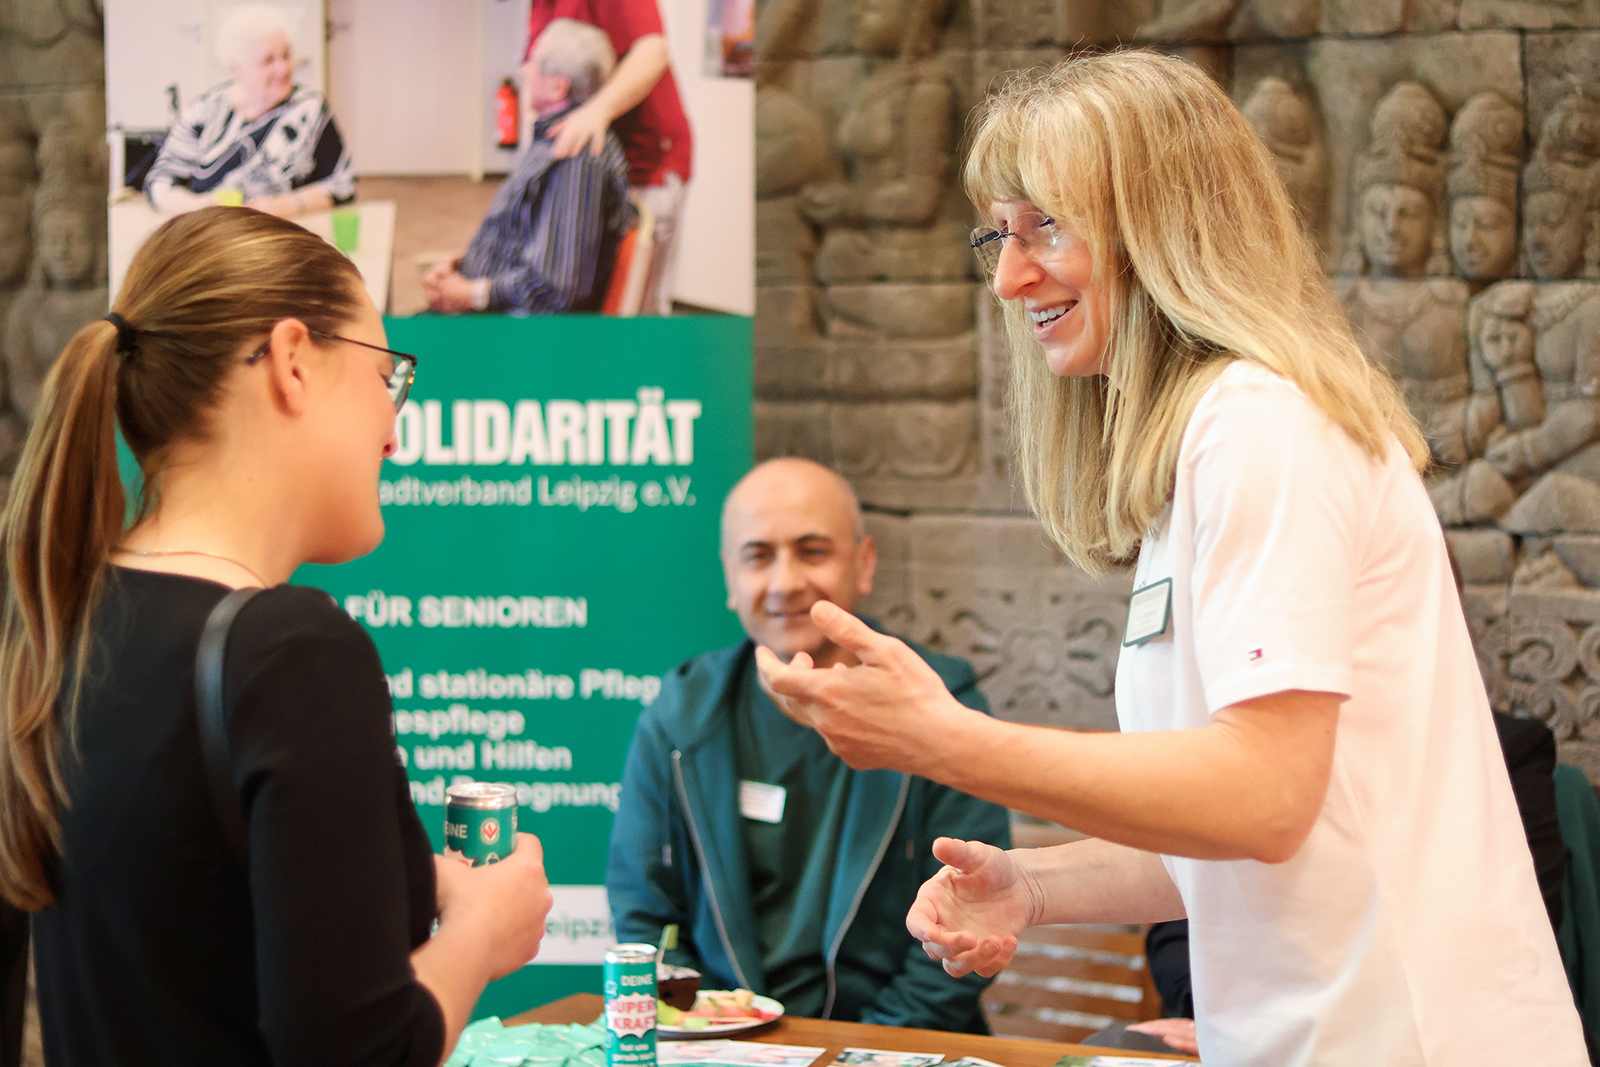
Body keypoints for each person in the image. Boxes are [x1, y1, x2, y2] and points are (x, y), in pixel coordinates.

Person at [755, 53, 1589, 1065]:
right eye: (1000, 236)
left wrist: (941, 737)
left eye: (1046, 227)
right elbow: (1242, 824)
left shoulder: (1260, 425)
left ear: (1164, 223)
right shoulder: (1204, 446)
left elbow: (1264, 796)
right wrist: (1035, 888)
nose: (1010, 276)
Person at [0, 206, 551, 1065]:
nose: (395, 433)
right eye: (387, 376)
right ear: (293, 361)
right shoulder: (290, 651)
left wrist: (414, 874)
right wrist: (483, 929)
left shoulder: (55, 620)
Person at [606, 458, 1011, 1032]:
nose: (785, 582)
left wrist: (854, 1053)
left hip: (896, 1050)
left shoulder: (944, 710)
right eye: (758, 556)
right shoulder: (678, 718)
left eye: (813, 551)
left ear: (864, 563)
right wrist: (715, 1032)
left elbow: (970, 919)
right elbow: (644, 913)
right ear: (730, 577)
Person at [423, 19, 634, 315]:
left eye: (533, 63)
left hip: (507, 333)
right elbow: (520, 236)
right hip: (484, 301)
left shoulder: (575, 153)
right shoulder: (552, 138)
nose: (524, 70)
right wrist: (460, 266)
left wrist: (471, 294)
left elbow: (557, 285)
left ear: (558, 86)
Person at [523, 0, 692, 315]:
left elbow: (653, 49)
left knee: (636, 306)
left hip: (646, 165)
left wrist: (598, 110)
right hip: (589, 170)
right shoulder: (539, 7)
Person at [145, 3, 355, 218]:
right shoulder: (201, 113)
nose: (283, 68)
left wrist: (283, 206)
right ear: (236, 68)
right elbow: (159, 184)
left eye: (286, 55)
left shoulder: (310, 109)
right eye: (268, 60)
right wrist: (200, 206)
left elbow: (342, 185)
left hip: (288, 233)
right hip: (214, 234)